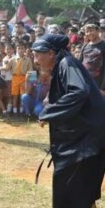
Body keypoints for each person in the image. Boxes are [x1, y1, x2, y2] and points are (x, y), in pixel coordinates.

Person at [32, 34, 105, 208]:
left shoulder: (67, 63)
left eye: (37, 54)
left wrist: (49, 112)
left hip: (87, 141)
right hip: (83, 138)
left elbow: (78, 92)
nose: (35, 60)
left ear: (50, 53)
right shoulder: (63, 64)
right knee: (80, 193)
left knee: (73, 190)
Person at [79, 23, 105, 95]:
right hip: (85, 81)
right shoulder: (85, 46)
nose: (89, 33)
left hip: (98, 82)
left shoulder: (103, 45)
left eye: (91, 31)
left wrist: (103, 87)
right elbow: (79, 63)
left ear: (98, 31)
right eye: (87, 31)